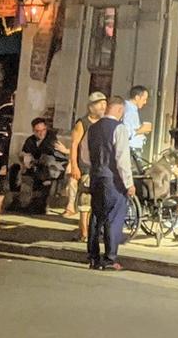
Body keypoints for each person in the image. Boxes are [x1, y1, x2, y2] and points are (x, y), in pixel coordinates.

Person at [86, 95, 135, 271]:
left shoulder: (92, 128)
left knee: (96, 217)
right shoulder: (119, 128)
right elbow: (122, 159)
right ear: (120, 110)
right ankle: (109, 258)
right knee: (113, 218)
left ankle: (93, 257)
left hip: (96, 176)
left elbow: (85, 155)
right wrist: (129, 183)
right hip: (112, 179)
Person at [65, 92, 108, 239]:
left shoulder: (105, 123)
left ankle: (92, 229)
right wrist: (74, 165)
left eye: (104, 103)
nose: (103, 106)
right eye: (99, 104)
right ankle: (84, 231)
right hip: (87, 165)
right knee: (86, 197)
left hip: (102, 166)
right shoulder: (82, 123)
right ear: (91, 107)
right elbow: (74, 144)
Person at [12, 117, 59, 210]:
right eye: (38, 131)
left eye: (43, 130)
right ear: (33, 131)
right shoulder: (30, 140)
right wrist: (26, 159)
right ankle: (25, 201)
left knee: (46, 165)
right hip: (33, 169)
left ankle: (42, 202)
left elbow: (49, 155)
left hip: (47, 170)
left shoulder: (51, 139)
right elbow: (25, 153)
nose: (41, 133)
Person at [123, 85, 154, 156]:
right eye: (144, 99)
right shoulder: (129, 111)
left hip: (133, 148)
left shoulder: (132, 110)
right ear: (137, 98)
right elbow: (125, 133)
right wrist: (141, 130)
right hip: (131, 149)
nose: (145, 102)